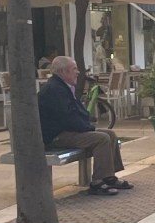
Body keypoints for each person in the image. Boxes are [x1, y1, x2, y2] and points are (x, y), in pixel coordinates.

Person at [36, 56, 132, 195]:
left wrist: (87, 125)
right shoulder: (55, 89)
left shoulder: (64, 86)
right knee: (102, 138)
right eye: (74, 69)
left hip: (67, 130)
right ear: (63, 72)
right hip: (56, 135)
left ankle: (109, 176)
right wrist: (88, 128)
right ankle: (98, 182)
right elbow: (67, 118)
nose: (78, 72)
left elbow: (78, 113)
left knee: (110, 134)